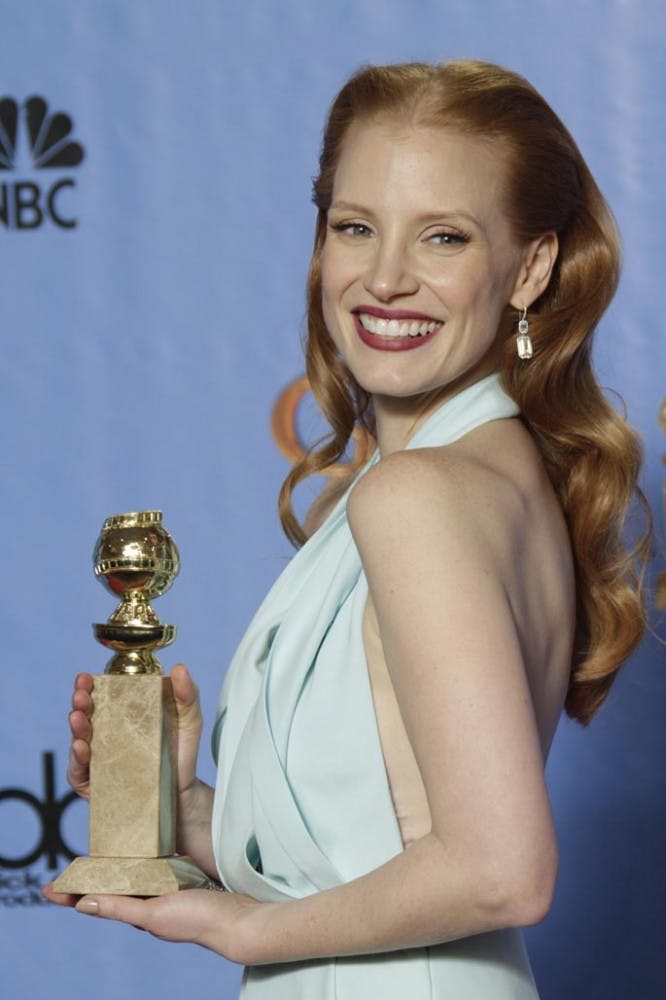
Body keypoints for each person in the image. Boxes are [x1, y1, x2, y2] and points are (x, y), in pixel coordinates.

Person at [44, 60, 650, 997]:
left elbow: (502, 870)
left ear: (530, 268)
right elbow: (387, 846)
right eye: (355, 227)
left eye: (443, 237)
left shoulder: (414, 495)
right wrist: (188, 806)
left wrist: (250, 929)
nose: (386, 279)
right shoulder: (487, 470)